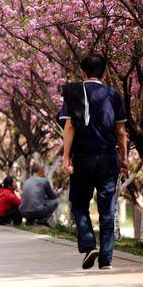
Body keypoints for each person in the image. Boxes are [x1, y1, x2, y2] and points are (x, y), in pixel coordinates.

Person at [60, 54, 128, 270]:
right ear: (104, 73)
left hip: (83, 158)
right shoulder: (113, 94)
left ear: (82, 72)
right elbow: (121, 132)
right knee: (107, 209)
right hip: (108, 158)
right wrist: (124, 158)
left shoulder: (74, 92)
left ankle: (89, 245)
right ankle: (106, 260)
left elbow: (69, 127)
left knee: (79, 204)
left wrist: (66, 156)